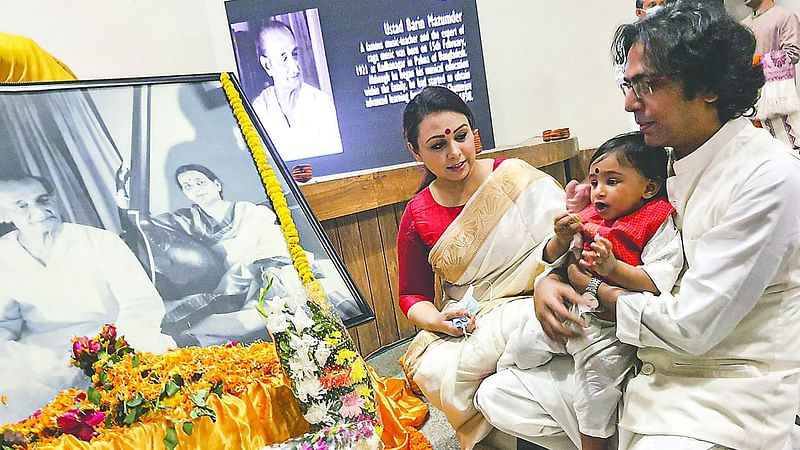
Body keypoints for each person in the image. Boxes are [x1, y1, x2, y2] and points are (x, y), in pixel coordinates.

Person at [476, 3, 800, 449]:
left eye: (648, 85)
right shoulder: (659, 161)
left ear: (707, 85)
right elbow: (590, 234)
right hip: (642, 365)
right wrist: (548, 282)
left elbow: (693, 328)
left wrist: (595, 292)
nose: (629, 103)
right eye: (629, 85)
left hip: (725, 389)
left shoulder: (768, 176)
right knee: (498, 396)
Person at [396, 86, 565, 449]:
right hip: (470, 317)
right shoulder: (418, 213)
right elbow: (412, 295)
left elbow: (557, 250)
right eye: (438, 146)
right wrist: (438, 321)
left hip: (535, 294)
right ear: (415, 151)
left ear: (473, 133)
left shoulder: (515, 178)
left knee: (530, 329)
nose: (455, 153)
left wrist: (564, 241)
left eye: (461, 137)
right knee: (431, 368)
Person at [499, 132, 682, 450]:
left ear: (649, 187)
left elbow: (656, 282)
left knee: (595, 393)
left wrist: (613, 269)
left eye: (612, 182)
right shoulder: (591, 216)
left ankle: (593, 444)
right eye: (595, 181)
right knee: (521, 348)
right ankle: (511, 373)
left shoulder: (657, 221)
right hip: (568, 309)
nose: (599, 191)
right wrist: (559, 237)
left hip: (610, 329)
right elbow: (550, 258)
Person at [0, 175, 175, 424]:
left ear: (54, 199)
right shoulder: (3, 257)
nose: (38, 211)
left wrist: (109, 353)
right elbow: (4, 325)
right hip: (42, 354)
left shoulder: (101, 242)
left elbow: (141, 302)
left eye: (43, 199)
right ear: (3, 215)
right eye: (22, 205)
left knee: (149, 376)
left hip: (110, 340)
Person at [143, 164, 359, 346]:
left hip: (265, 267)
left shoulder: (249, 211)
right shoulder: (187, 220)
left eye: (200, 182)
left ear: (216, 185)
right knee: (241, 317)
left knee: (283, 276)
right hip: (232, 279)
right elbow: (145, 225)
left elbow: (268, 240)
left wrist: (247, 255)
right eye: (187, 186)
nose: (196, 189)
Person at [252, 20, 343, 162]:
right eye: (284, 59)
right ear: (267, 65)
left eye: (294, 54)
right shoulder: (259, 110)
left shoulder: (321, 103)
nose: (295, 67)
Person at [741, 0, 800, 151]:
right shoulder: (742, 26)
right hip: (749, 105)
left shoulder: (784, 17)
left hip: (777, 105)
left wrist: (758, 61)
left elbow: (792, 53)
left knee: (786, 154)